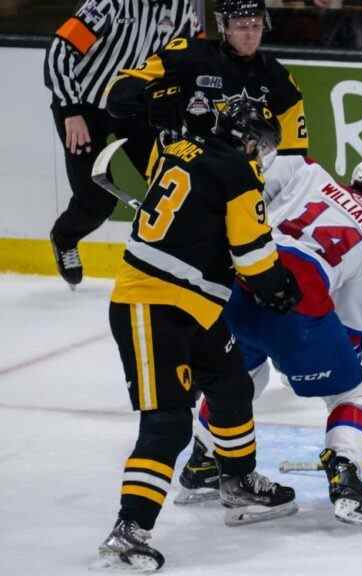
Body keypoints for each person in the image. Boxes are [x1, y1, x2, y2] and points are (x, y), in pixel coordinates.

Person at [97, 91, 303, 571]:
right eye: (260, 143)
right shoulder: (237, 175)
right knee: (169, 423)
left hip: (196, 305)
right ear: (243, 140)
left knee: (231, 386)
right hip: (150, 304)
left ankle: (237, 482)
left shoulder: (181, 149)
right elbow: (253, 257)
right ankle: (129, 530)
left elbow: (194, 219)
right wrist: (276, 287)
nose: (262, 154)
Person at [176, 153, 362, 529]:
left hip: (240, 286)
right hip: (296, 310)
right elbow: (352, 329)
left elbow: (246, 202)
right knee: (352, 395)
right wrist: (327, 364)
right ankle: (345, 479)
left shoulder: (309, 172)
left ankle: (203, 460)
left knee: (242, 376)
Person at [44, 0, 201, 289]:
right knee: (96, 202)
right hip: (83, 107)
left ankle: (172, 261)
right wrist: (70, 110)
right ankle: (65, 236)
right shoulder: (111, 4)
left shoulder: (182, 8)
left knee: (171, 178)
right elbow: (60, 51)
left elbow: (196, 56)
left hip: (133, 109)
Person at [107, 0, 308, 179]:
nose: (250, 35)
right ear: (224, 27)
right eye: (241, 27)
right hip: (182, 170)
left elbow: (293, 154)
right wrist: (148, 100)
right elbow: (120, 94)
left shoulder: (279, 78)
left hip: (241, 180)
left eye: (256, 26)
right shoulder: (189, 55)